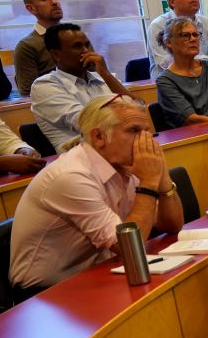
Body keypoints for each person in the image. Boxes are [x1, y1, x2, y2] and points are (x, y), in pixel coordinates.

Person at [9, 95, 182, 294]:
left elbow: (172, 225)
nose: (146, 140)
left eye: (147, 131)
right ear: (99, 137)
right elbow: (128, 248)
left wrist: (162, 177)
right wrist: (149, 182)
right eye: (134, 131)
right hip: (45, 294)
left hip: (102, 271)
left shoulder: (126, 161)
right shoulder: (72, 176)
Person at [30, 24, 126, 150]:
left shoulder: (105, 77)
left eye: (87, 45)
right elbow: (87, 123)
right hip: (80, 156)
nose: (86, 51)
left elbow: (140, 110)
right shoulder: (44, 86)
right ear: (56, 55)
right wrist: (128, 117)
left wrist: (106, 75)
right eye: (77, 46)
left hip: (118, 148)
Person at [14, 0, 61, 95]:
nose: (54, 2)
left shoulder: (76, 36)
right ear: (31, 8)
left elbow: (93, 75)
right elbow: (28, 94)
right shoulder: (27, 46)